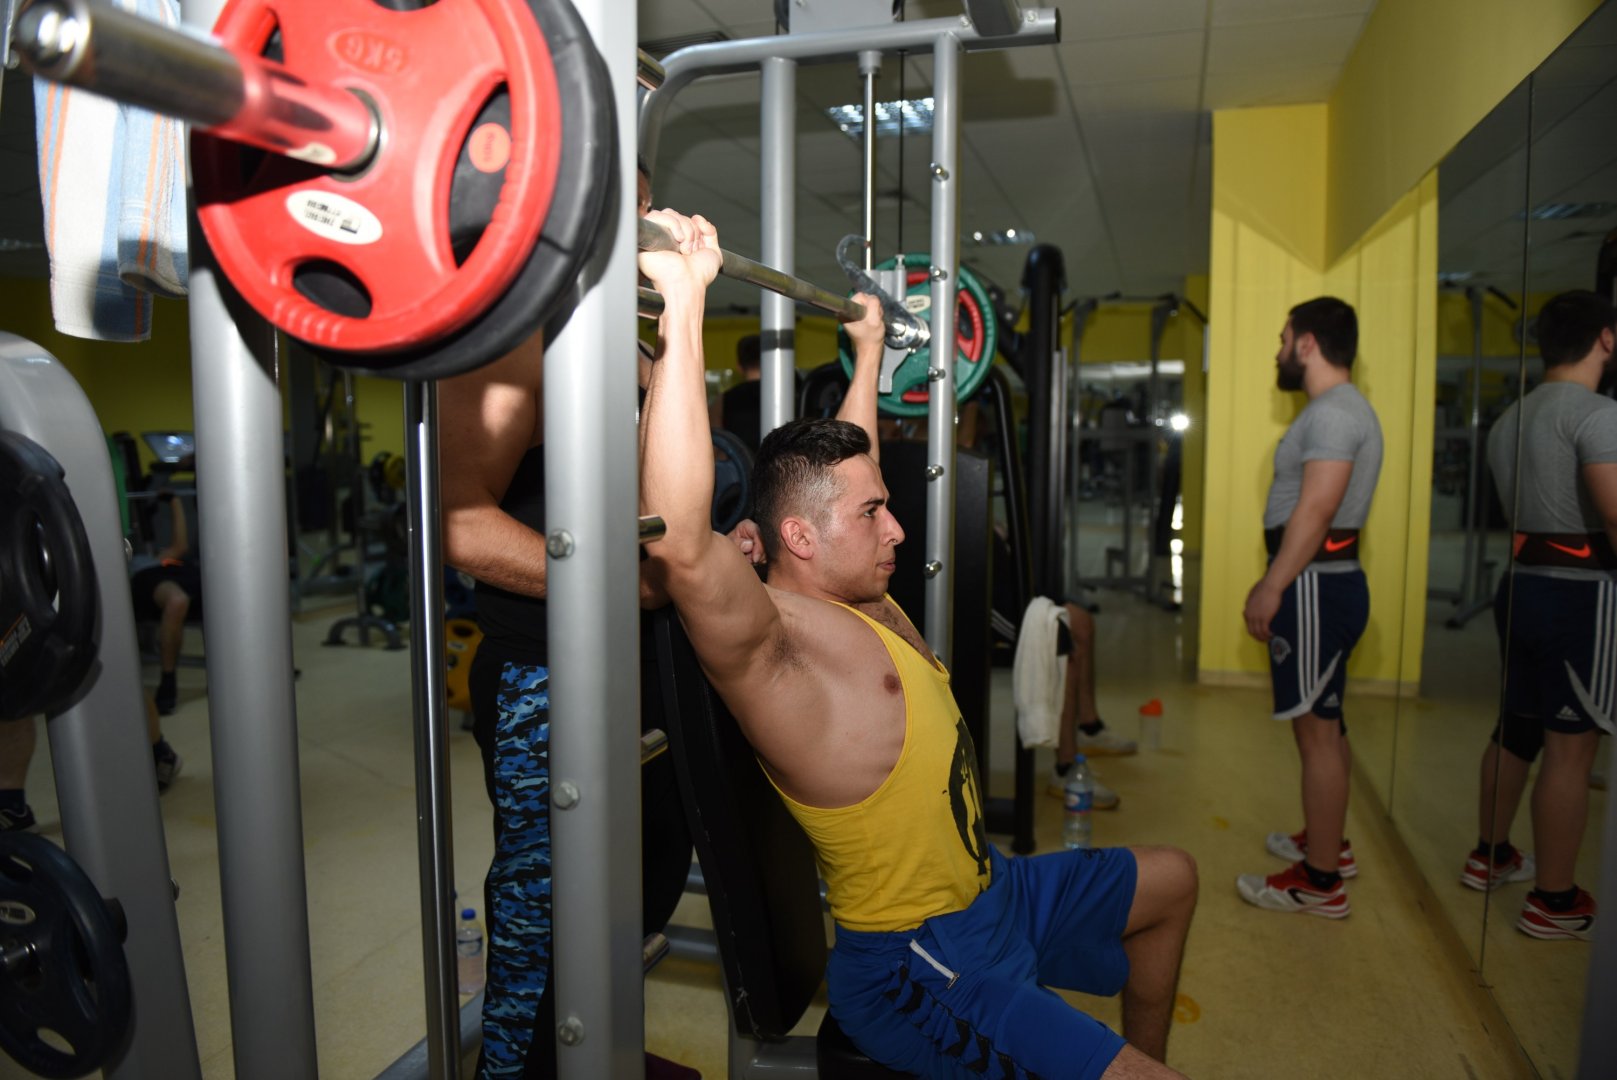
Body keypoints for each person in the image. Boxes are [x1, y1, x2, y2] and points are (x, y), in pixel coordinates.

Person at [638, 208, 1197, 1079]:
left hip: (990, 892)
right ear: (799, 538)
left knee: (1172, 878)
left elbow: (849, 462)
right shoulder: (775, 648)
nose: (896, 527)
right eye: (873, 514)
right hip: (920, 962)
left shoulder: (853, 586)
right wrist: (683, 303)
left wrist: (866, 352)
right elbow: (676, 540)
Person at [440, 163, 696, 1080]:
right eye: (623, 204)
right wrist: (615, 583)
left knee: (638, 898)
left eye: (643, 203)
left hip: (646, 663)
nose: (642, 222)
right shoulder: (517, 335)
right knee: (545, 929)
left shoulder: (631, 338)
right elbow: (458, 524)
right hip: (545, 680)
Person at [1464, 290, 1617, 941]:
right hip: (1577, 595)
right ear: (1605, 338)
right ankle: (1554, 900)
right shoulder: (1598, 414)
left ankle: (1491, 855)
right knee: (1570, 747)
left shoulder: (1511, 417)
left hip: (1521, 587)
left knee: (1515, 729)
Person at [1236, 297, 1382, 919]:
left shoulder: (1334, 413)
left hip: (1315, 585)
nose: (1278, 351)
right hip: (1319, 580)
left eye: (1283, 338)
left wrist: (1273, 585)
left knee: (1316, 731)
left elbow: (1318, 508)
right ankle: (1328, 843)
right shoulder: (1336, 410)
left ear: (1307, 344)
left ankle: (1320, 881)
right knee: (1328, 723)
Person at [129, 486, 203, 721]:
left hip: (176, 574)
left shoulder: (151, 558)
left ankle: (272, 663)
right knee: (177, 601)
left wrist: (174, 501)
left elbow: (181, 546)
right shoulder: (130, 565)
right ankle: (168, 680)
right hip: (146, 581)